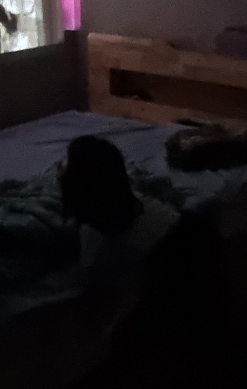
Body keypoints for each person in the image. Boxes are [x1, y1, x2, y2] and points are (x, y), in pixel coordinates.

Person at [58, 135, 226, 350]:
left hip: (175, 265)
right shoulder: (133, 200)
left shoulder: (106, 252)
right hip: (189, 236)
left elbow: (97, 292)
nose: (62, 171)